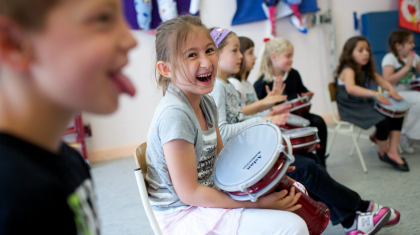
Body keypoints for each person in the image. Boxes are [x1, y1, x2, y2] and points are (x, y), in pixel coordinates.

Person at [210, 27, 400, 235]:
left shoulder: (226, 85)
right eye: (235, 51)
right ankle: (361, 208)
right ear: (215, 54)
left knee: (310, 164)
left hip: (247, 154)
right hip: (241, 165)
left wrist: (267, 114)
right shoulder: (218, 87)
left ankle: (352, 219)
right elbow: (222, 130)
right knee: (306, 168)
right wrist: (266, 119)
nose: (241, 56)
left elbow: (239, 118)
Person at [145, 15, 309, 235]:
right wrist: (257, 204)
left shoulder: (207, 102)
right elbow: (189, 193)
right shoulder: (175, 115)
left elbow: (224, 164)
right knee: (292, 226)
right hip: (184, 214)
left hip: (206, 199)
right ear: (166, 69)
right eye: (192, 55)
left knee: (296, 195)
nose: (206, 61)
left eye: (210, 50)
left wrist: (265, 174)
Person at [0, 0, 137, 234]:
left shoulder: (70, 160)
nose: (131, 40)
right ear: (15, 44)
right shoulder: (15, 194)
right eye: (103, 18)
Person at [335, 36, 409, 172]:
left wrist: (391, 90)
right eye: (361, 50)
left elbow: (381, 81)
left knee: (396, 114)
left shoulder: (365, 68)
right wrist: (375, 94)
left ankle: (393, 150)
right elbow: (351, 88)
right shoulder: (348, 70)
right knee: (383, 122)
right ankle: (384, 153)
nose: (366, 53)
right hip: (350, 107)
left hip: (362, 103)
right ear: (350, 53)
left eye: (367, 50)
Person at [253, 37, 329, 167]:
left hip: (299, 116)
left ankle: (321, 160)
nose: (291, 60)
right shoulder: (261, 84)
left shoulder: (294, 74)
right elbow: (260, 111)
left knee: (319, 122)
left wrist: (307, 95)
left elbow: (302, 91)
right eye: (288, 56)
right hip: (281, 122)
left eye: (292, 56)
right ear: (273, 57)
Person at [228, 37, 288, 117]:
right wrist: (263, 102)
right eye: (250, 53)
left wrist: (272, 103)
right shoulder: (234, 84)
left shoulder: (248, 85)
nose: (255, 57)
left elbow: (257, 110)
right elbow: (235, 113)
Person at [382, 30, 420, 154]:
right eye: (409, 42)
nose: (413, 45)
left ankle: (412, 134)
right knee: (418, 99)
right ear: (398, 45)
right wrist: (407, 67)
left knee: (417, 97)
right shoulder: (390, 58)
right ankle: (405, 134)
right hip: (394, 94)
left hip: (411, 92)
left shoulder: (414, 57)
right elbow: (387, 81)